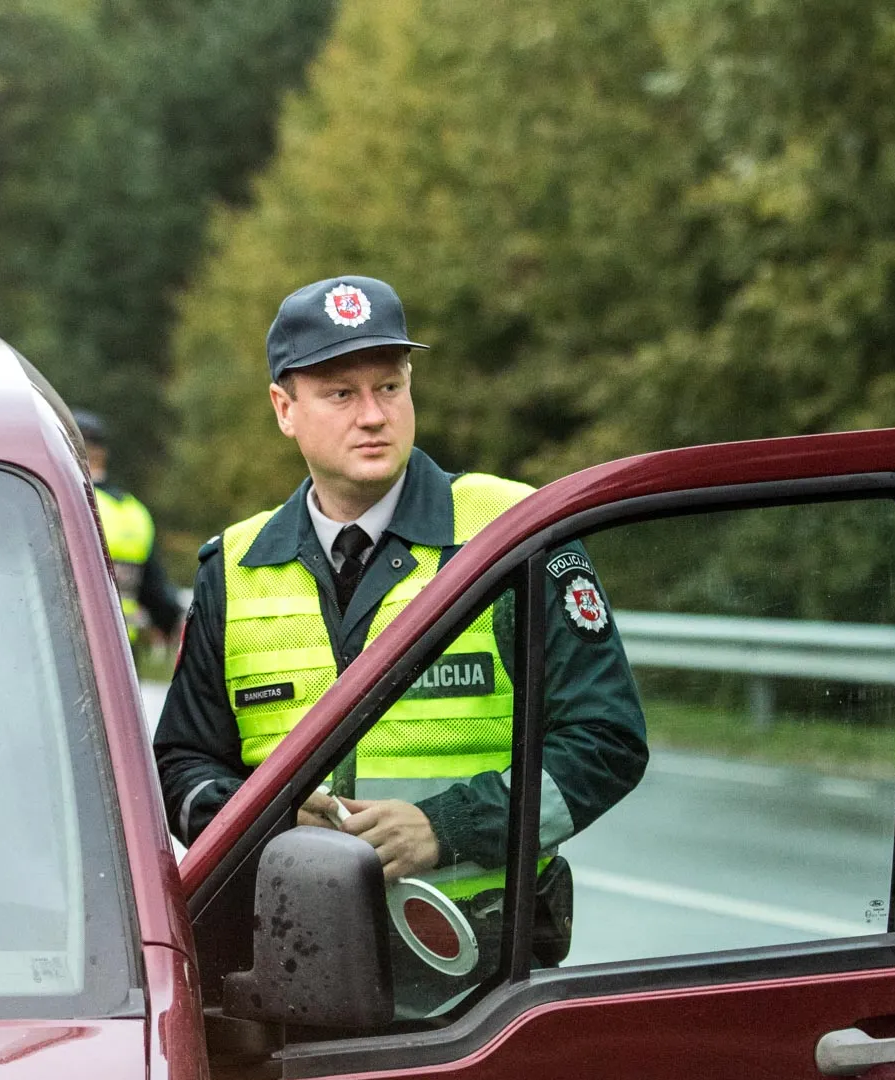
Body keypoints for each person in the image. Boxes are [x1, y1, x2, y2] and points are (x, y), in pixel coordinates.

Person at [155, 275, 646, 918]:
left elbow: (607, 740)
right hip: (286, 962)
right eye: (340, 394)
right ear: (284, 408)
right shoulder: (235, 567)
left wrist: (447, 828)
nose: (373, 415)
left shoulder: (513, 532)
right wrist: (268, 821)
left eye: (390, 386)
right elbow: (181, 766)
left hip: (483, 977)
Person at [74, 408, 185, 649]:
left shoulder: (75, 503)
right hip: (123, 651)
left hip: (78, 645)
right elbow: (155, 591)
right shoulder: (135, 512)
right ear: (102, 454)